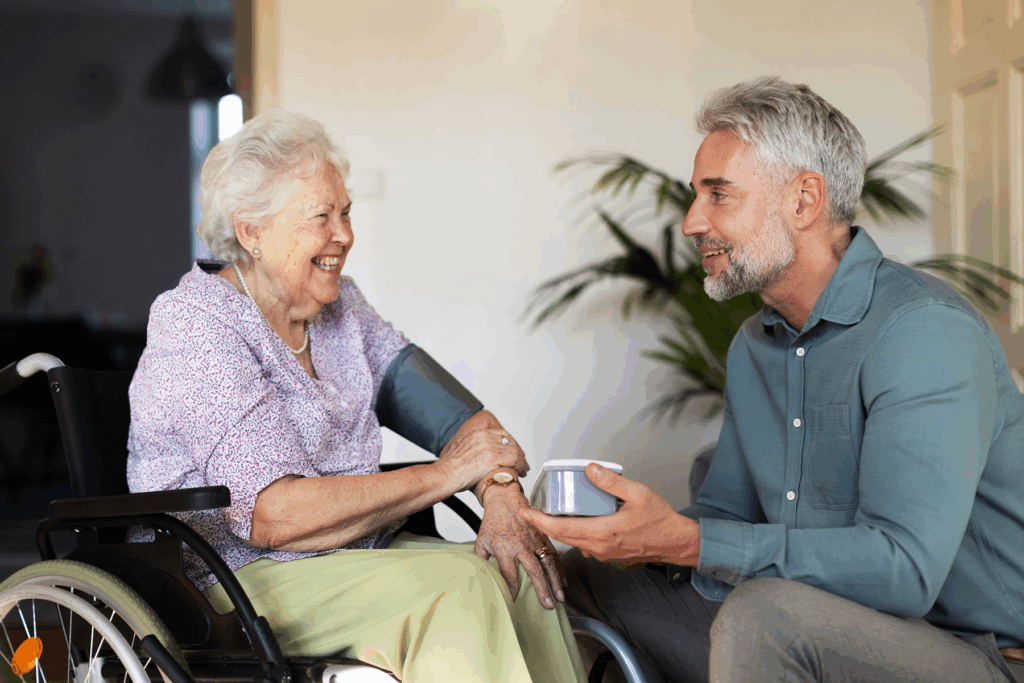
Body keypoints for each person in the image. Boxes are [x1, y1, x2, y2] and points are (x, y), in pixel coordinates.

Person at [522, 76, 1024, 683]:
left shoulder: (922, 332)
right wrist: (636, 534)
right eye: (695, 196)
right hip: (818, 624)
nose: (690, 222)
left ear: (804, 200)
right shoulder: (755, 346)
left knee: (767, 616)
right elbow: (723, 513)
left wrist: (688, 543)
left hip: (976, 653)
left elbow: (905, 571)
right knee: (580, 578)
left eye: (718, 195)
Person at [126, 109, 586, 683]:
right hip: (234, 576)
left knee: (517, 568)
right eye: (322, 216)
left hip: (352, 559)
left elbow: (465, 424)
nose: (343, 235)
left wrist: (499, 494)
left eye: (345, 213)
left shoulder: (344, 310)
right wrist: (448, 476)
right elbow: (271, 516)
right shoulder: (197, 322)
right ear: (252, 232)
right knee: (460, 588)